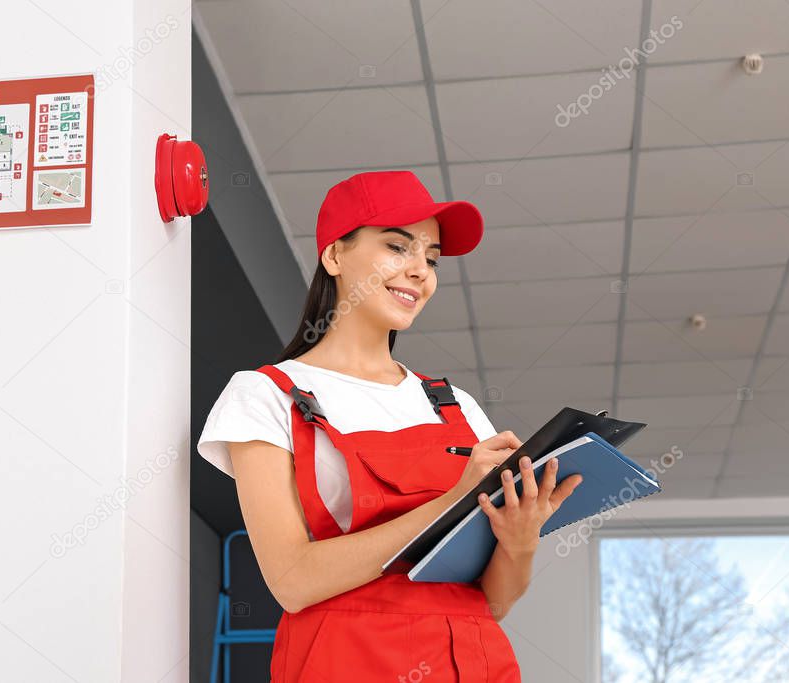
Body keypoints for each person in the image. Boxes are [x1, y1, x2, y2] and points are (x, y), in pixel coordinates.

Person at [198, 170, 583, 682]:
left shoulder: (456, 406)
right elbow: (291, 580)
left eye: (431, 259)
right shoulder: (266, 395)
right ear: (334, 256)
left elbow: (490, 605)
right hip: (343, 664)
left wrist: (521, 536)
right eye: (398, 247)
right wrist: (451, 501)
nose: (420, 271)